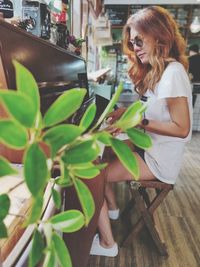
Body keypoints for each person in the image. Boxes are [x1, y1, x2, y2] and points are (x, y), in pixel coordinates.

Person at [90, 6, 192, 257]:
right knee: (103, 153)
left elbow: (182, 128)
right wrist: (125, 114)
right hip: (150, 147)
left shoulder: (173, 73)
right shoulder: (160, 72)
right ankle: (111, 208)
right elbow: (152, 111)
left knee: (93, 174)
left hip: (159, 160)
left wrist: (138, 123)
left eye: (138, 40)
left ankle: (107, 244)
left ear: (158, 35)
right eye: (131, 41)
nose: (134, 46)